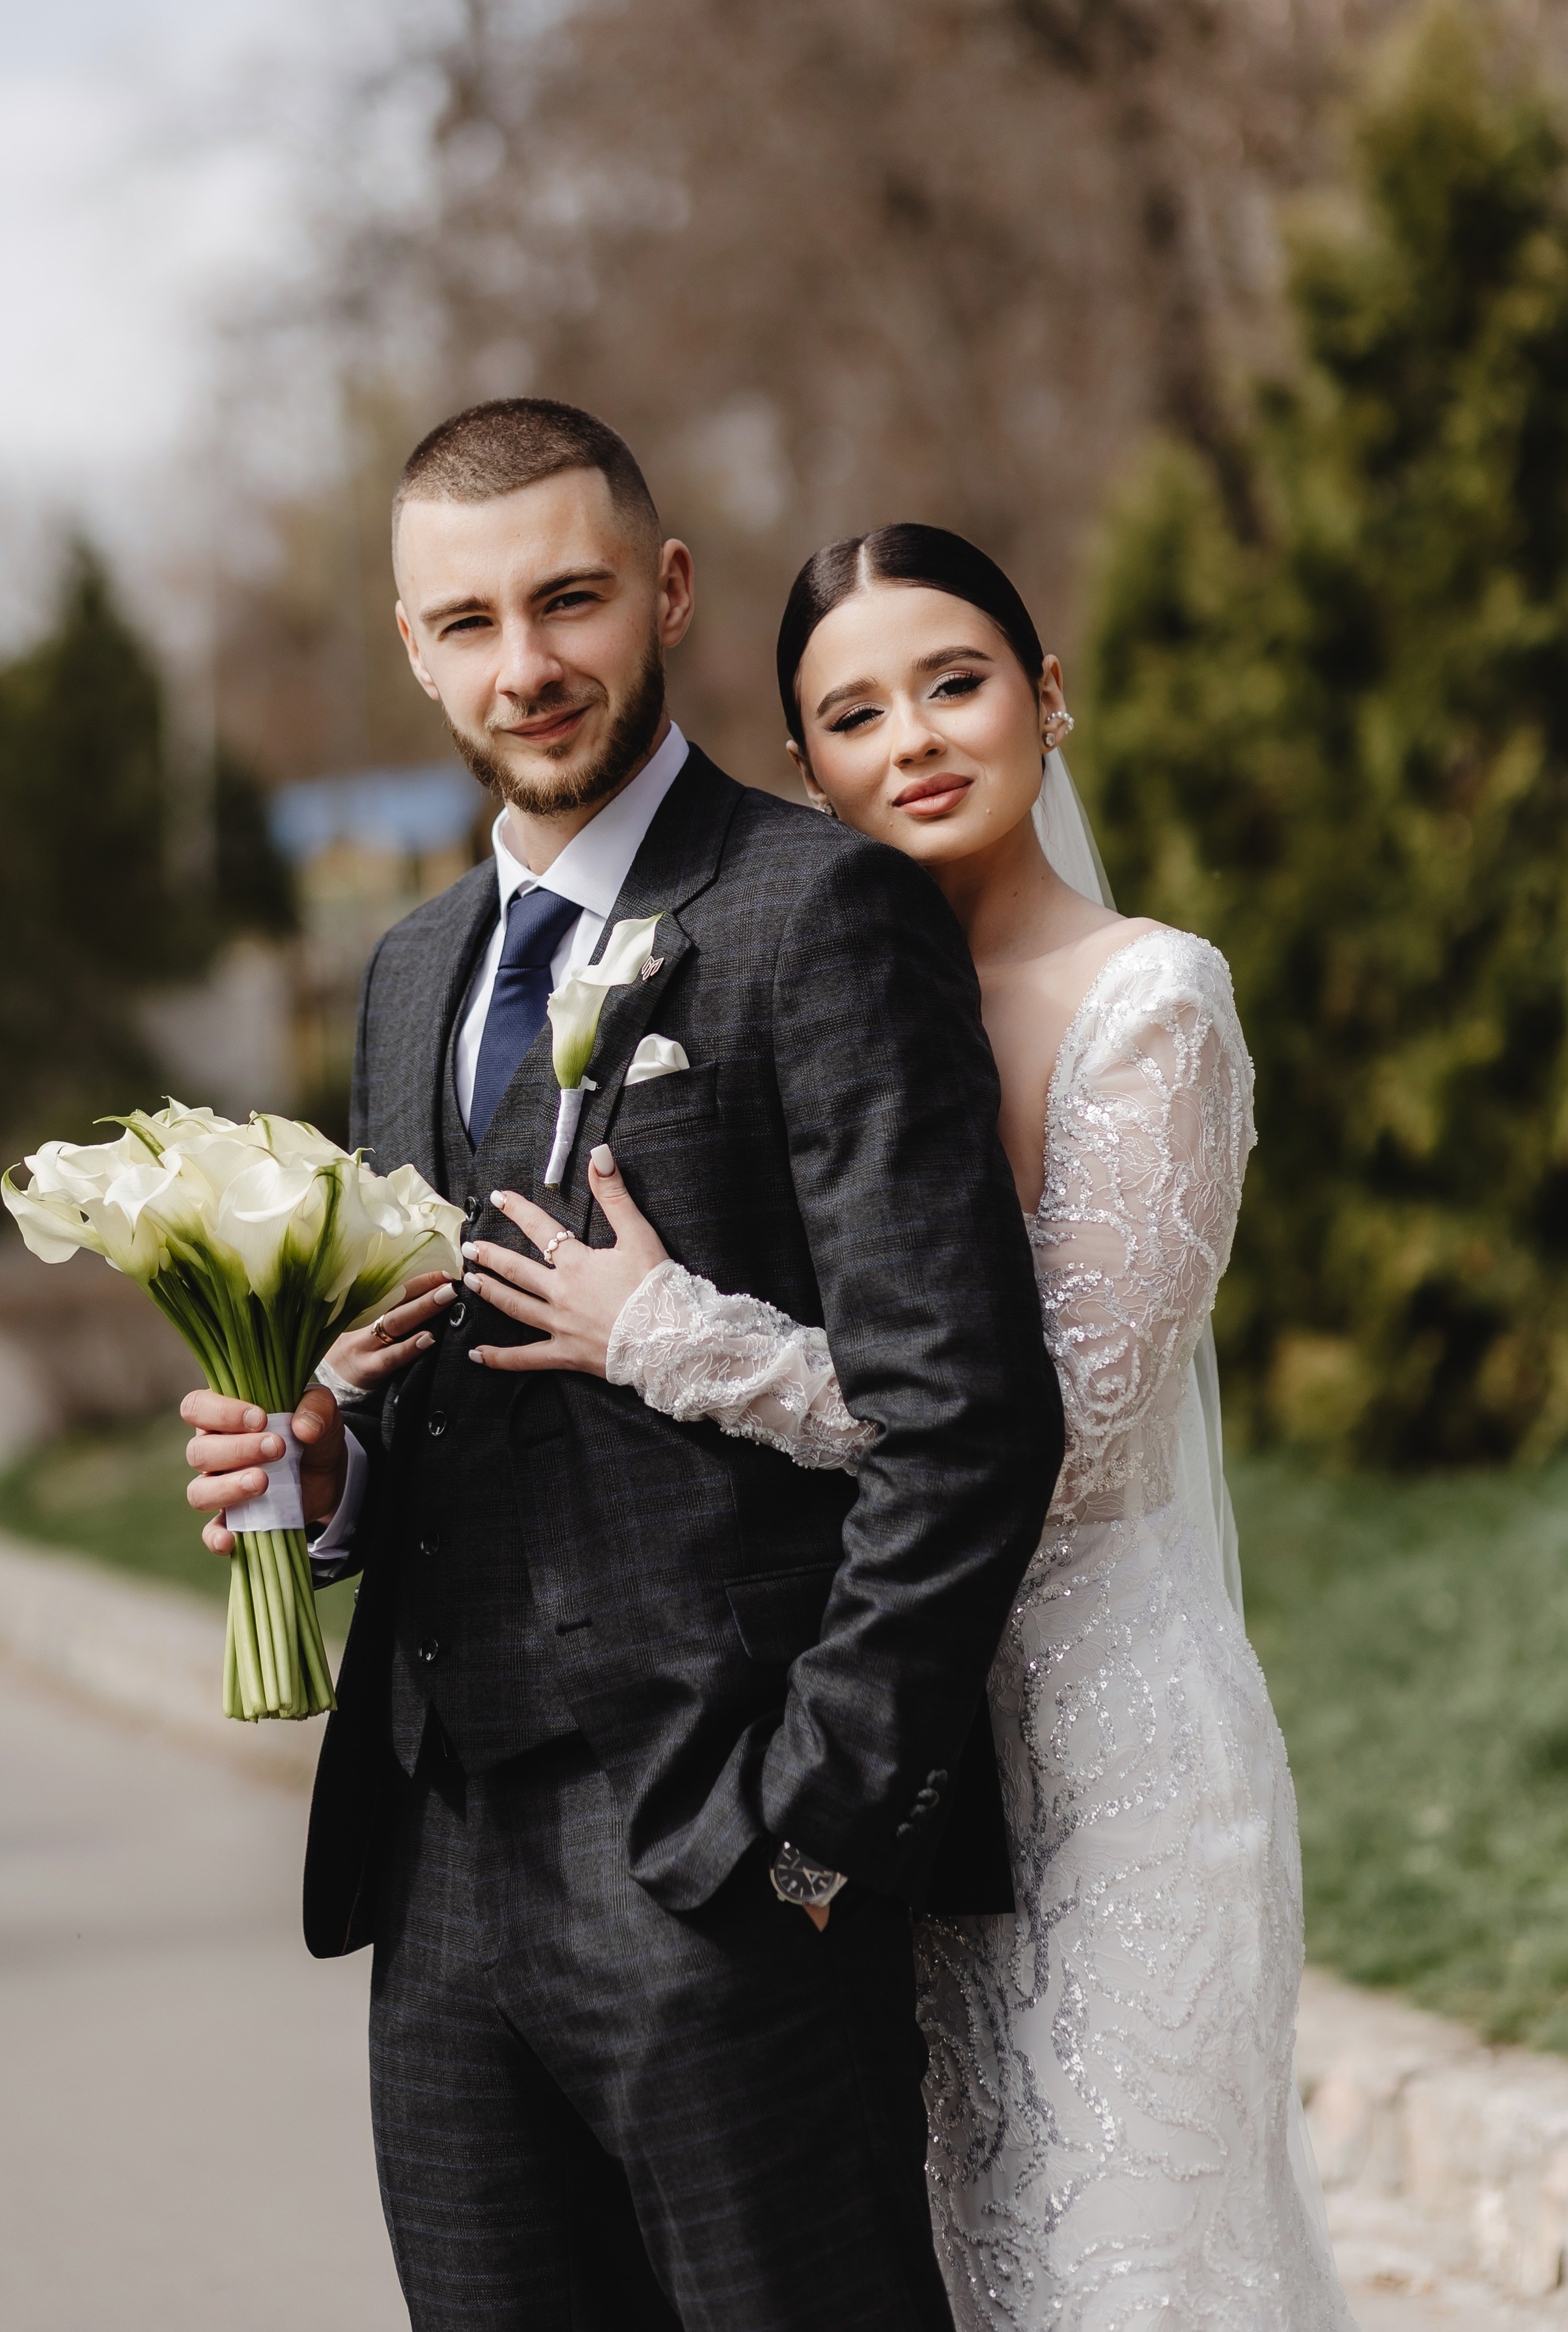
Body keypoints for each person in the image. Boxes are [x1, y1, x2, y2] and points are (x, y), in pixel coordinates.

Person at [179, 410, 1065, 2331]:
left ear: (664, 594)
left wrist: (817, 1834)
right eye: (472, 618)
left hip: (725, 1868)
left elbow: (970, 1420)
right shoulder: (411, 975)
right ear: (414, 644)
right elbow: (450, 1390)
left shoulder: (818, 911)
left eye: (570, 598)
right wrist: (324, 1479)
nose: (528, 665)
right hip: (438, 1879)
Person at [446, 526, 1358, 2329]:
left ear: (1049, 695)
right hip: (883, 1756)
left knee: (1125, 2273)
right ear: (805, 769)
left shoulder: (1150, 1003)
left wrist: (671, 1337)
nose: (913, 740)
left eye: (955, 682)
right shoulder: (820, 1006)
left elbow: (1067, 1442)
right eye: (851, 715)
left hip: (1109, 1753)